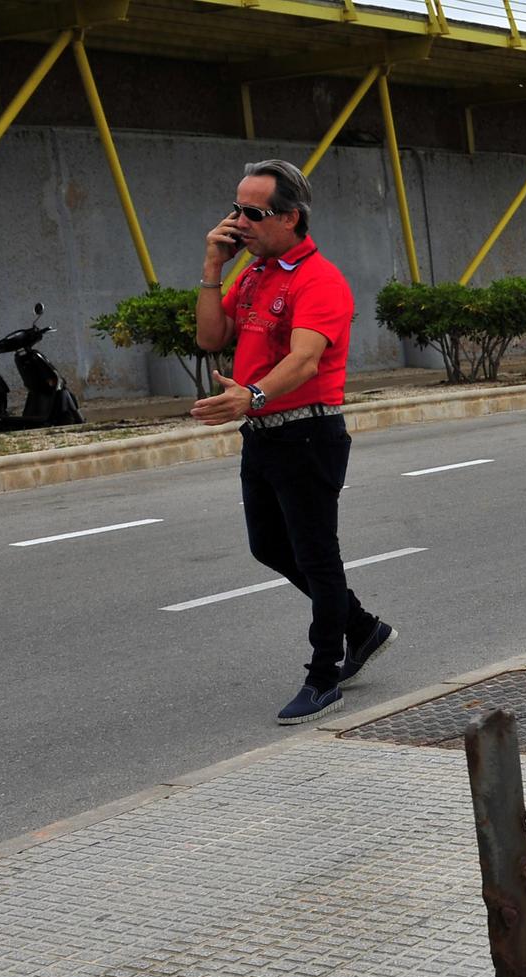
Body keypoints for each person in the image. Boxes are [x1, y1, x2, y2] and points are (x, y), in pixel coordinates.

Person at [192, 159, 396, 725]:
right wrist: (213, 264)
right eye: (236, 209)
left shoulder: (318, 278)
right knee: (268, 546)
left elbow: (305, 359)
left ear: (291, 217)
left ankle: (325, 671)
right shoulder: (253, 273)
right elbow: (212, 336)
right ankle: (360, 627)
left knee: (316, 554)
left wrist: (251, 395)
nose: (239, 221)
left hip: (308, 432)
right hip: (262, 435)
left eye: (253, 213)